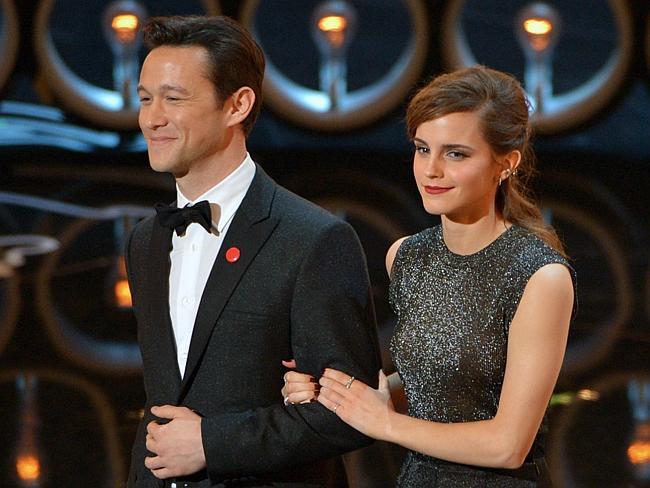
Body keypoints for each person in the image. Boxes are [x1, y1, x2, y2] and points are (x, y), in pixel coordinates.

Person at [282, 66, 576, 486]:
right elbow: (437, 381)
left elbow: (508, 445)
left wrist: (384, 423)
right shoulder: (406, 257)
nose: (431, 170)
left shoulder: (539, 275)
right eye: (422, 149)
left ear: (506, 164)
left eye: (455, 154)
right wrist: (342, 391)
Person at [126, 15, 381, 487]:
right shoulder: (146, 240)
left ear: (237, 104)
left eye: (173, 98)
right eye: (145, 98)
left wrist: (212, 443)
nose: (151, 117)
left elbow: (351, 412)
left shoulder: (313, 238)